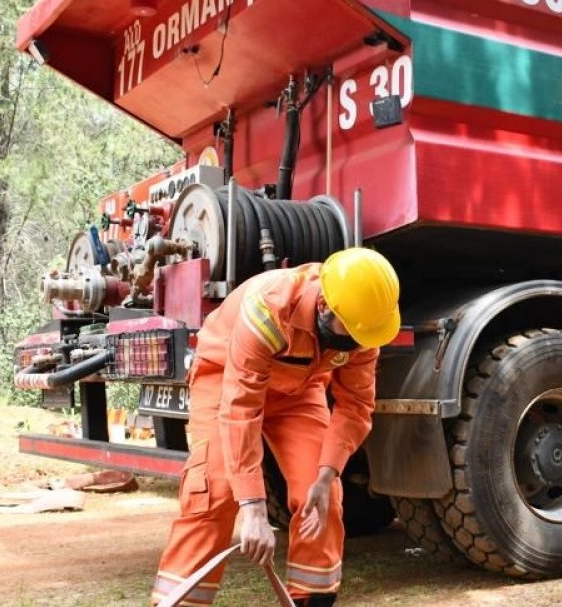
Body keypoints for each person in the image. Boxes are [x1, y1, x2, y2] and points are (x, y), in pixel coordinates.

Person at [151, 247, 401, 607]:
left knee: (323, 499)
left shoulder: (365, 325)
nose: (360, 342)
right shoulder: (269, 308)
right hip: (226, 378)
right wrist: (253, 507)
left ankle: (311, 598)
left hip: (297, 390)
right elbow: (241, 406)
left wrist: (326, 475)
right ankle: (179, 601)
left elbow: (355, 405)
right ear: (326, 308)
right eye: (353, 332)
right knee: (215, 492)